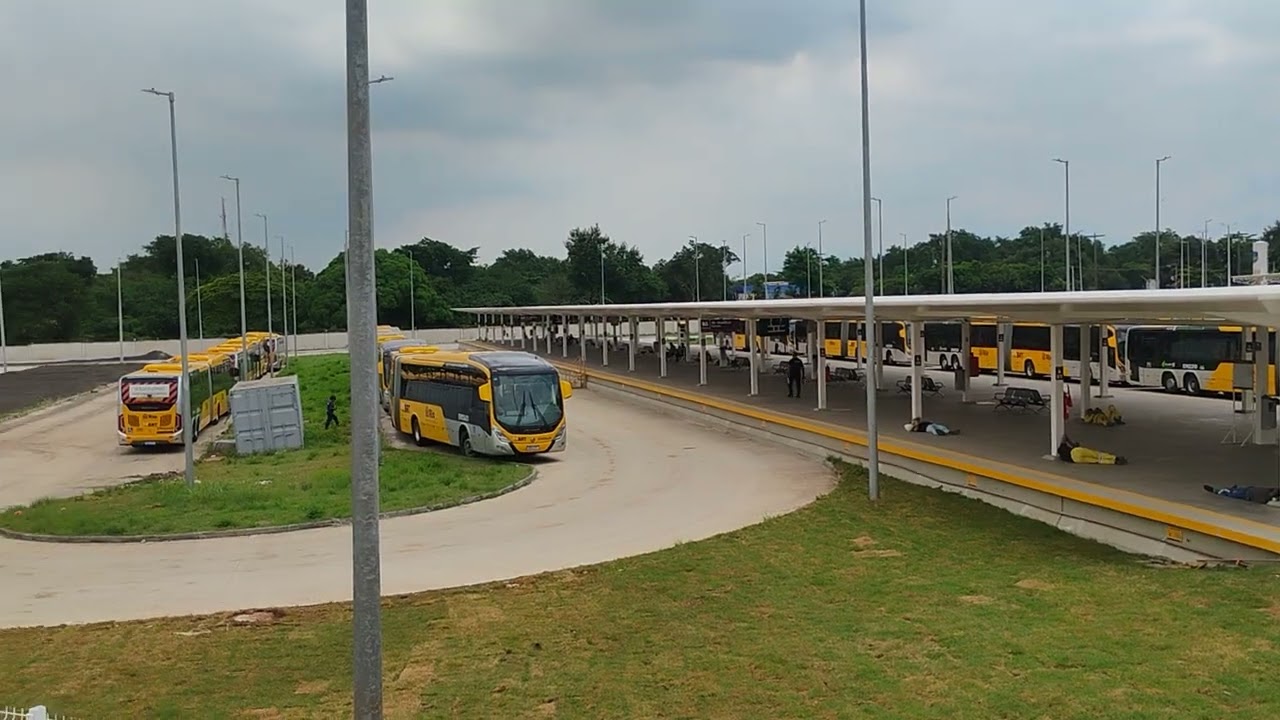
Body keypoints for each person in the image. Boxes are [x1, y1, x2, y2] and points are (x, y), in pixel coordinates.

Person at [1057, 435, 1126, 465]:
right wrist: (1071, 442)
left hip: (1075, 460)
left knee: (1096, 461)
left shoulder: (1062, 457)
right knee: (1096, 454)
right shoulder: (1063, 446)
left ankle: (1113, 462)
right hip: (1075, 451)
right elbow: (1065, 438)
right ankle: (1115, 458)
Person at [1203, 484, 1280, 505]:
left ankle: (1217, 491)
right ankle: (1218, 491)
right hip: (1249, 492)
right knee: (1231, 492)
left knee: (1231, 493)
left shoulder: (1268, 494)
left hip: (1248, 493)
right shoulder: (1268, 495)